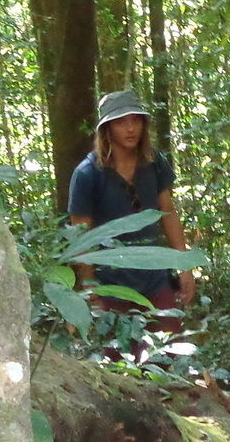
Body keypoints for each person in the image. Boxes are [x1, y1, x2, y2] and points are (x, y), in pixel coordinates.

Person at [68, 89, 197, 317]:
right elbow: (82, 236)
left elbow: (168, 212)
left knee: (169, 345)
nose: (130, 128)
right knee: (119, 351)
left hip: (155, 276)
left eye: (136, 120)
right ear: (107, 128)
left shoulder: (155, 163)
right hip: (111, 283)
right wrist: (90, 285)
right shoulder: (87, 174)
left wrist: (184, 265)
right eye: (121, 122)